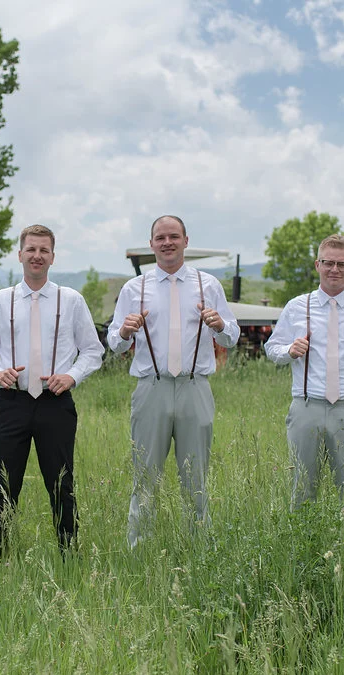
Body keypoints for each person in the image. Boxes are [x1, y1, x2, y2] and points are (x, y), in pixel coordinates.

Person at [108, 215, 240, 547]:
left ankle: (199, 548)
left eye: (174, 237)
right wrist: (125, 331)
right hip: (151, 387)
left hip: (195, 387)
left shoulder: (207, 285)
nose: (167, 243)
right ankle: (138, 548)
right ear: (152, 244)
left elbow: (232, 338)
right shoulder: (134, 289)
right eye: (161, 237)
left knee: (195, 475)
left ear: (185, 240)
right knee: (145, 475)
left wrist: (220, 325)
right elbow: (114, 342)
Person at [0, 224, 104, 554]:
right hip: (11, 403)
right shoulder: (0, 301)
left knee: (62, 485)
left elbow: (92, 350)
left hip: (55, 404)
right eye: (31, 249)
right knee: (3, 485)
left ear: (53, 257)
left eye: (44, 250)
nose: (37, 255)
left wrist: (71, 376)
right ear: (20, 254)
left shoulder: (70, 300)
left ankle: (69, 557)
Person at [263, 234, 344, 513]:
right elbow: (271, 348)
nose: (334, 269)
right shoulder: (298, 306)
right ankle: (303, 553)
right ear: (317, 265)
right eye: (328, 263)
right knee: (303, 488)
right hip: (306, 407)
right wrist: (289, 351)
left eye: (342, 264)